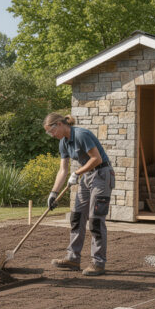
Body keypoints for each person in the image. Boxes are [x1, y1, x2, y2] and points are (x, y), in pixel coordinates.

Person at [44, 113, 114, 276]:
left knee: (96, 220)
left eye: (52, 131)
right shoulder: (63, 143)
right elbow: (63, 170)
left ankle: (98, 263)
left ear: (59, 124)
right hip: (87, 176)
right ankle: (73, 258)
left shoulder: (81, 135)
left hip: (102, 174)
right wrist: (53, 193)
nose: (52, 135)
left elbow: (96, 159)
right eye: (49, 133)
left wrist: (77, 173)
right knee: (77, 216)